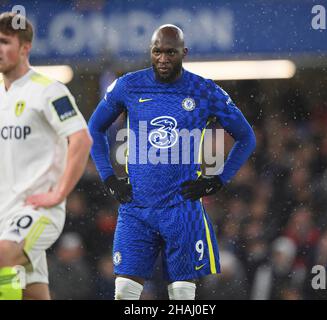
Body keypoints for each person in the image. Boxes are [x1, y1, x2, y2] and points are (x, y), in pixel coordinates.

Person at [89, 24, 256, 300]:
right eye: (157, 52)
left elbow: (246, 137)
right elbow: (93, 129)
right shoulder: (128, 86)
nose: (163, 59)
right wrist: (108, 178)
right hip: (137, 208)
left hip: (182, 209)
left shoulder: (204, 91)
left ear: (184, 53)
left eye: (170, 52)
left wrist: (218, 180)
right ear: (150, 51)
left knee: (181, 296)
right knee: (124, 293)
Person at [0, 12, 92, 300]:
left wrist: (59, 194)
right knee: (33, 294)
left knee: (4, 256)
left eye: (4, 42)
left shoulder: (48, 90)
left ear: (25, 48)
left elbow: (81, 139)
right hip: (5, 213)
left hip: (38, 210)